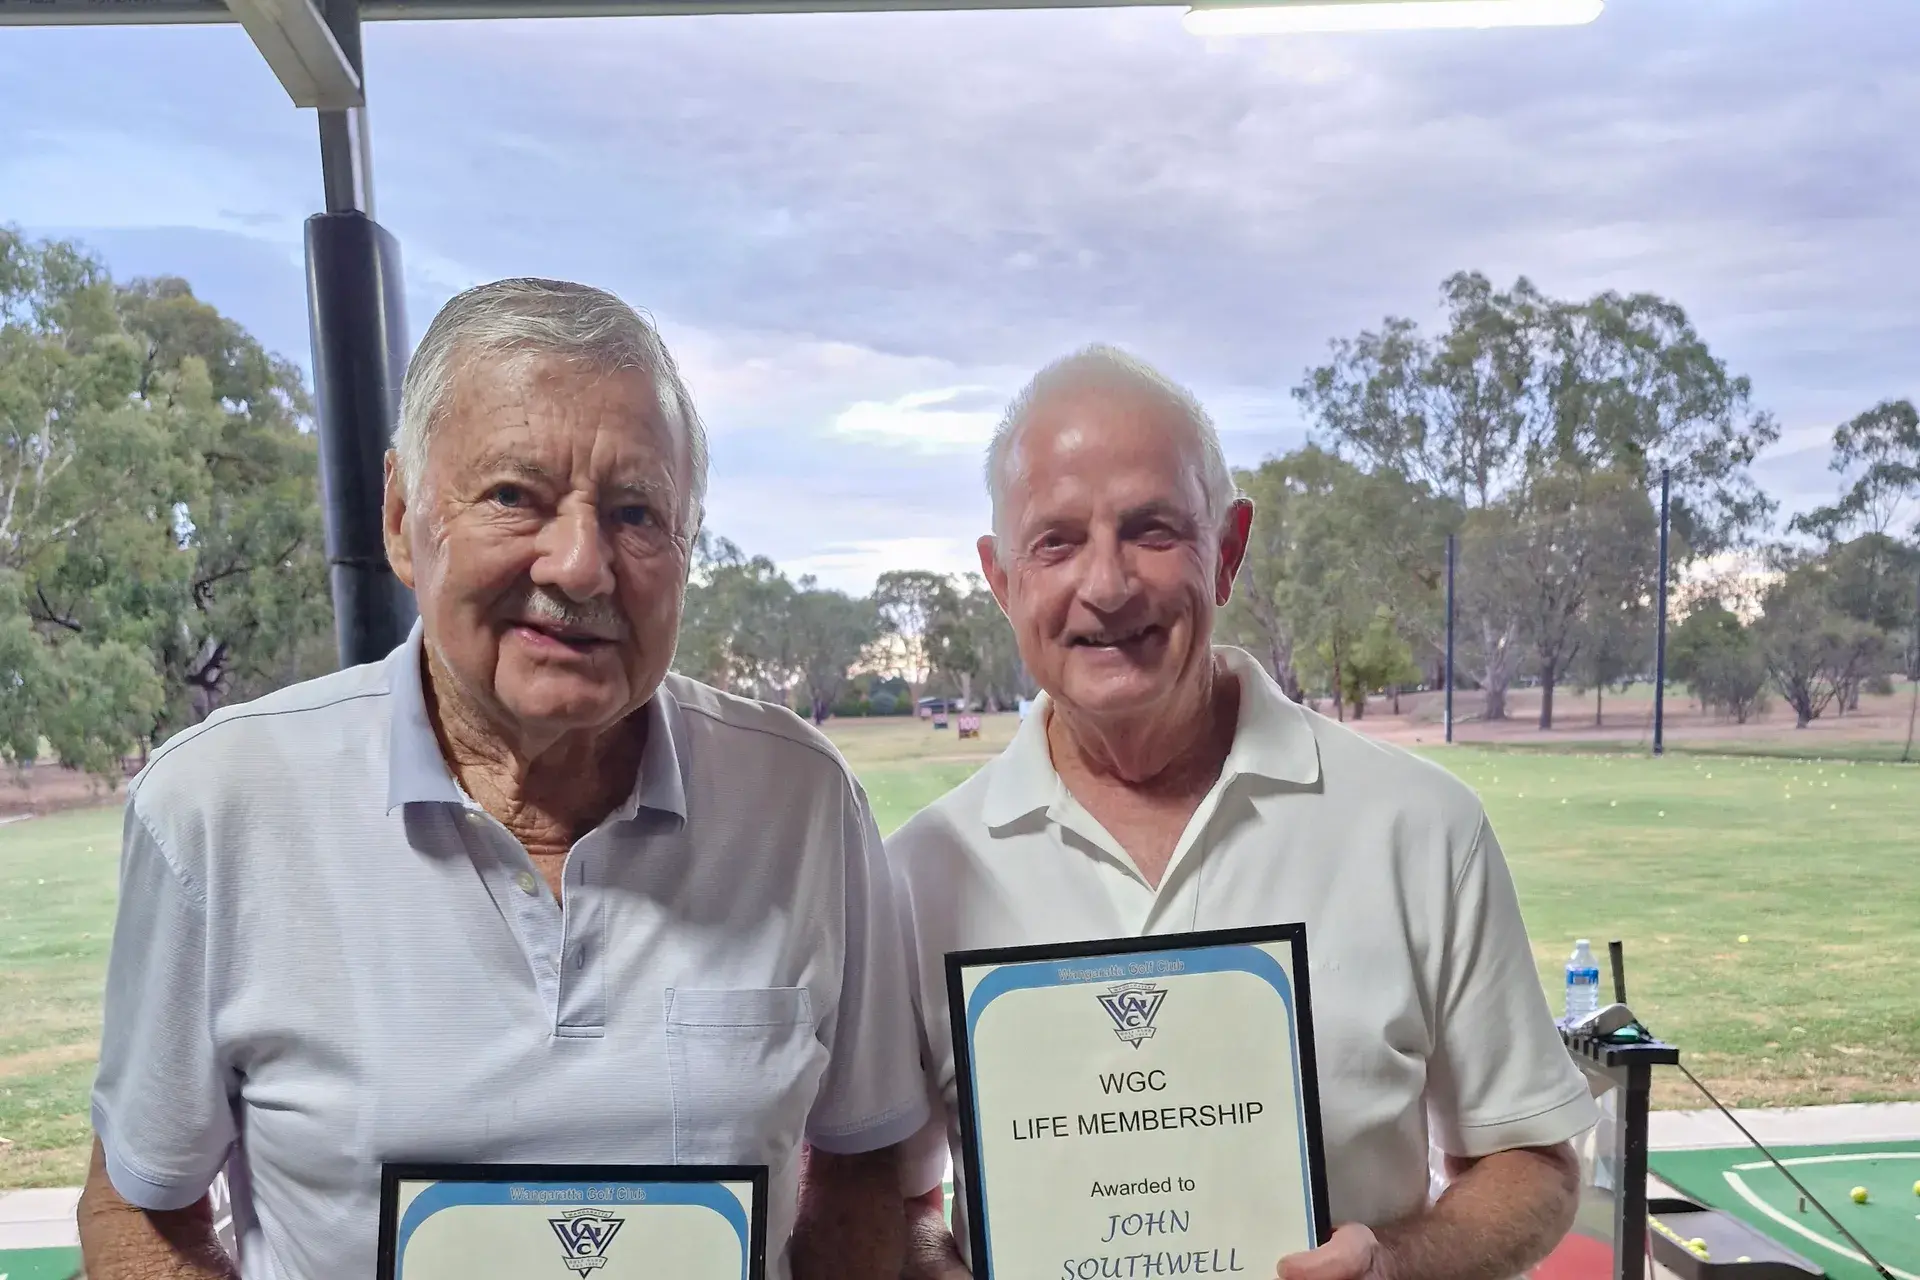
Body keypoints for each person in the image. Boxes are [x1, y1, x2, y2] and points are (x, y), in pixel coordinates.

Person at [78, 278, 926, 1280]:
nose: (579, 564)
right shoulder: (219, 807)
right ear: (402, 516)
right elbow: (140, 1206)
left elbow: (868, 1162)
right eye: (515, 495)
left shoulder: (803, 802)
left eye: (636, 511)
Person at [887, 346, 1596, 1280]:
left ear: (1226, 551)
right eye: (1056, 540)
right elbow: (887, 1199)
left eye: (1152, 530)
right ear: (1001, 577)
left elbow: (1533, 1159)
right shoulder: (915, 876)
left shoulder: (1420, 828)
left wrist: (1398, 1267)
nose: (1106, 585)